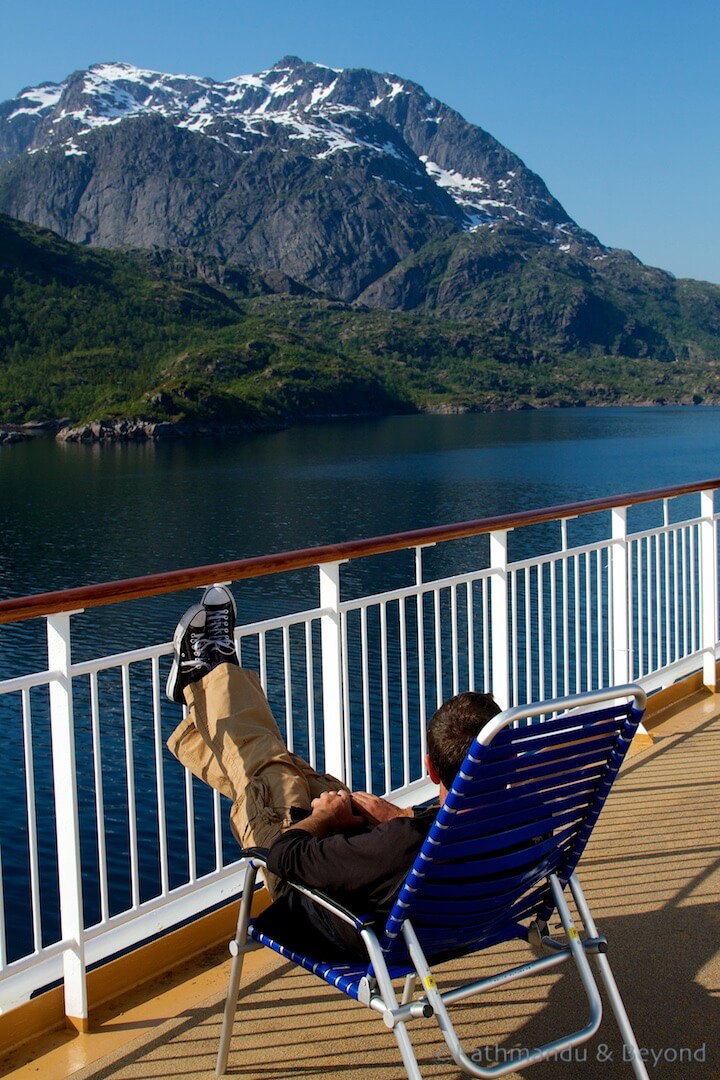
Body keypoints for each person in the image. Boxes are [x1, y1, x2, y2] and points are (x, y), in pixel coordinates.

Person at [166, 584, 500, 959]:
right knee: (295, 776)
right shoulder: (529, 817)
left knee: (270, 771)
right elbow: (410, 841)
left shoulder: (400, 845)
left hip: (322, 910)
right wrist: (402, 815)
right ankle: (205, 685)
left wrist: (324, 818)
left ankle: (209, 674)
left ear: (431, 771)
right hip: (442, 920)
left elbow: (284, 855)